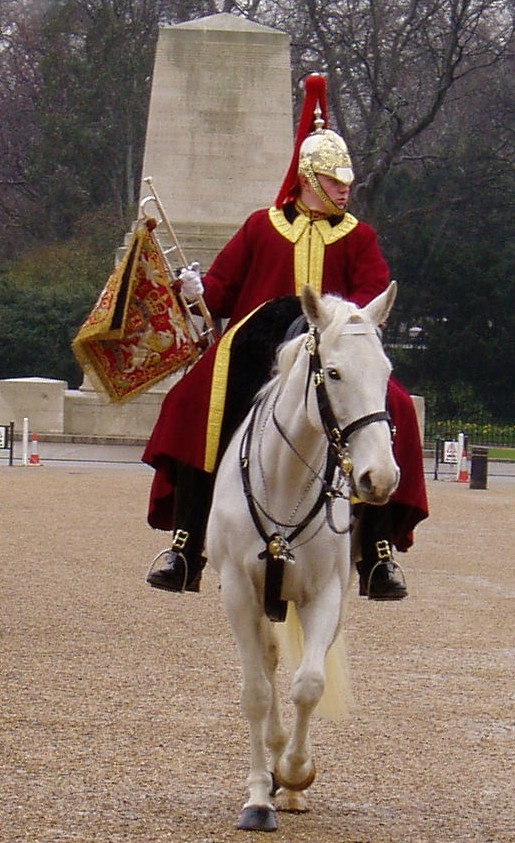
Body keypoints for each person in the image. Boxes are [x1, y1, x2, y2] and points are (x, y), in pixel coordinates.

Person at [143, 73, 428, 600]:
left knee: (396, 408)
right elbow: (223, 292)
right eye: (337, 180)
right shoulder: (261, 226)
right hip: (257, 340)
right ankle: (186, 547)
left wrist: (353, 320)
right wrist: (193, 288)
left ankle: (378, 554)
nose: (346, 188)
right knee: (190, 401)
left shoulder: (358, 235)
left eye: (346, 181)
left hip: (333, 343)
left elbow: (370, 294)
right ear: (309, 179)